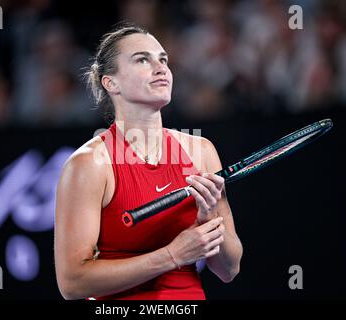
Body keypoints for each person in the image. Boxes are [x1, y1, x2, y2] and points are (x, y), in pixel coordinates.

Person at [54, 23, 243, 300]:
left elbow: (229, 269)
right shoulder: (89, 164)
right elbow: (72, 283)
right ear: (111, 82)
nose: (161, 68)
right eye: (142, 59)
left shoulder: (201, 151)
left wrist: (209, 218)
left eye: (163, 59)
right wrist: (171, 256)